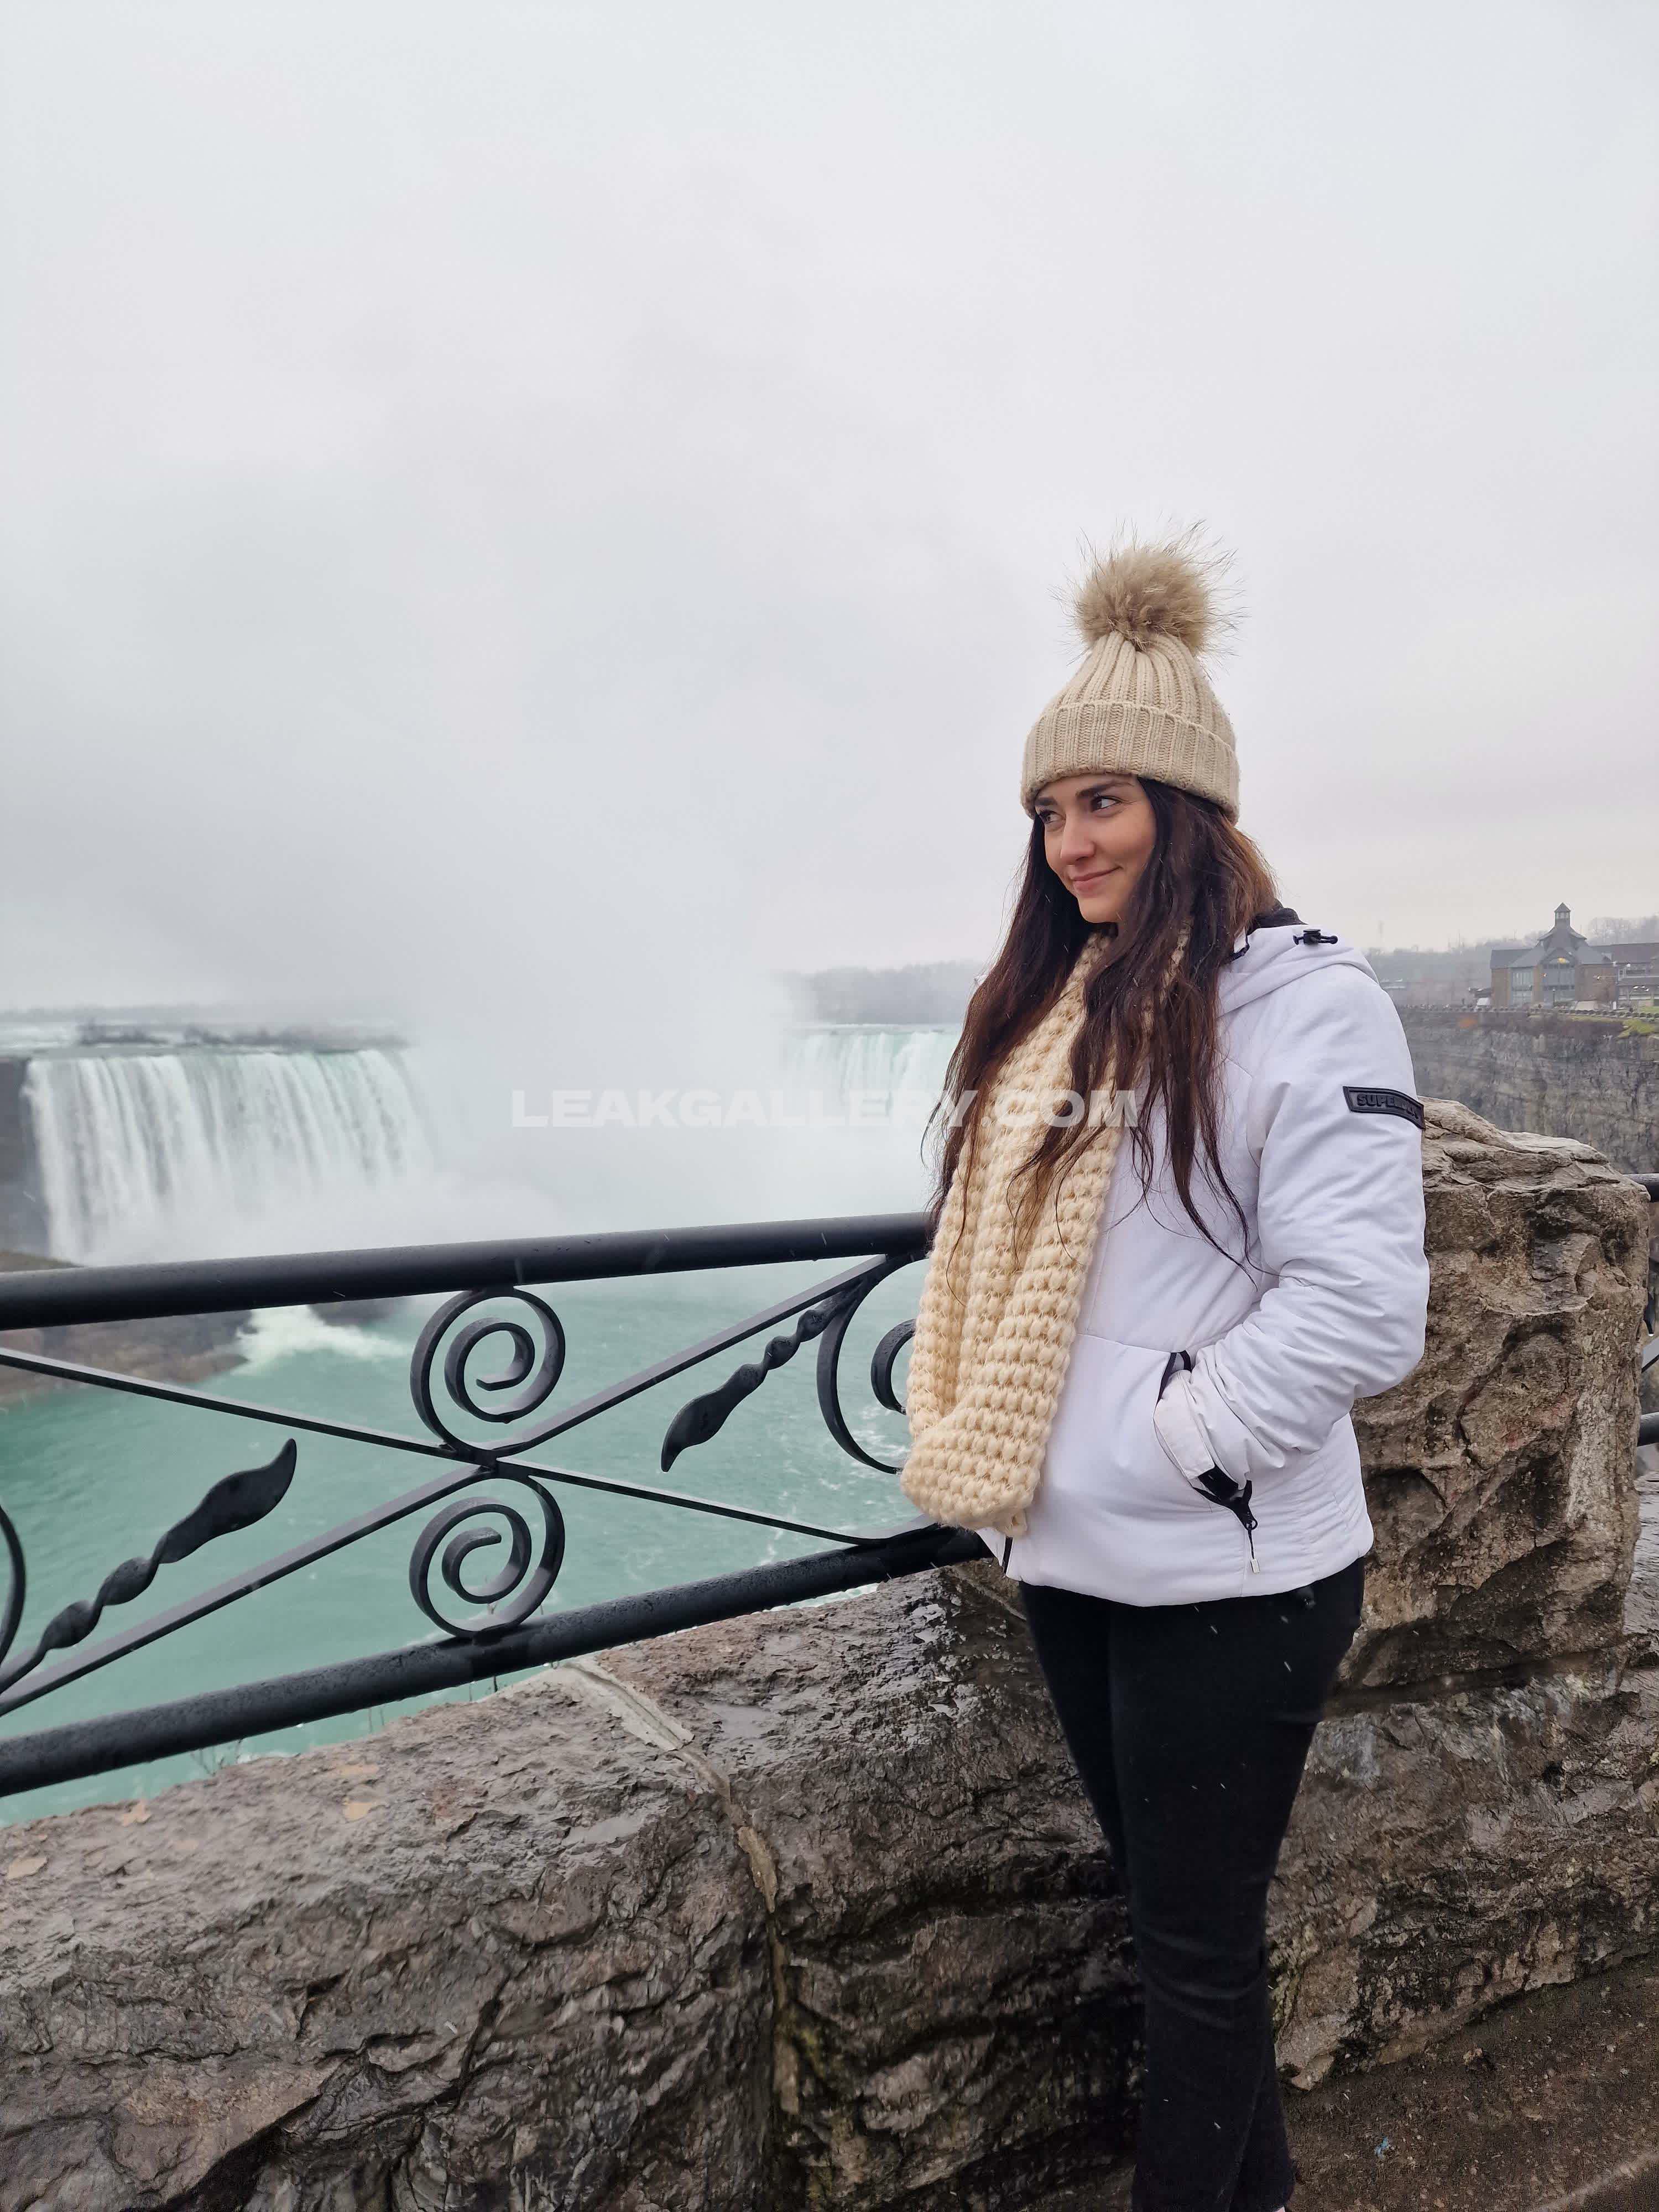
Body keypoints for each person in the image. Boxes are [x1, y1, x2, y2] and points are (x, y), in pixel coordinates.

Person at [900, 534, 1430, 2212]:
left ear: (1188, 810)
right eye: (1052, 812)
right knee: (1179, 1930)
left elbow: (1363, 1308)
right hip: (1072, 1552)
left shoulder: (1309, 1009)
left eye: (1107, 802)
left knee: (1196, 1954)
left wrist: (1171, 1445)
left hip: (1227, 1565)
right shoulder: (1062, 1006)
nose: (1071, 843)